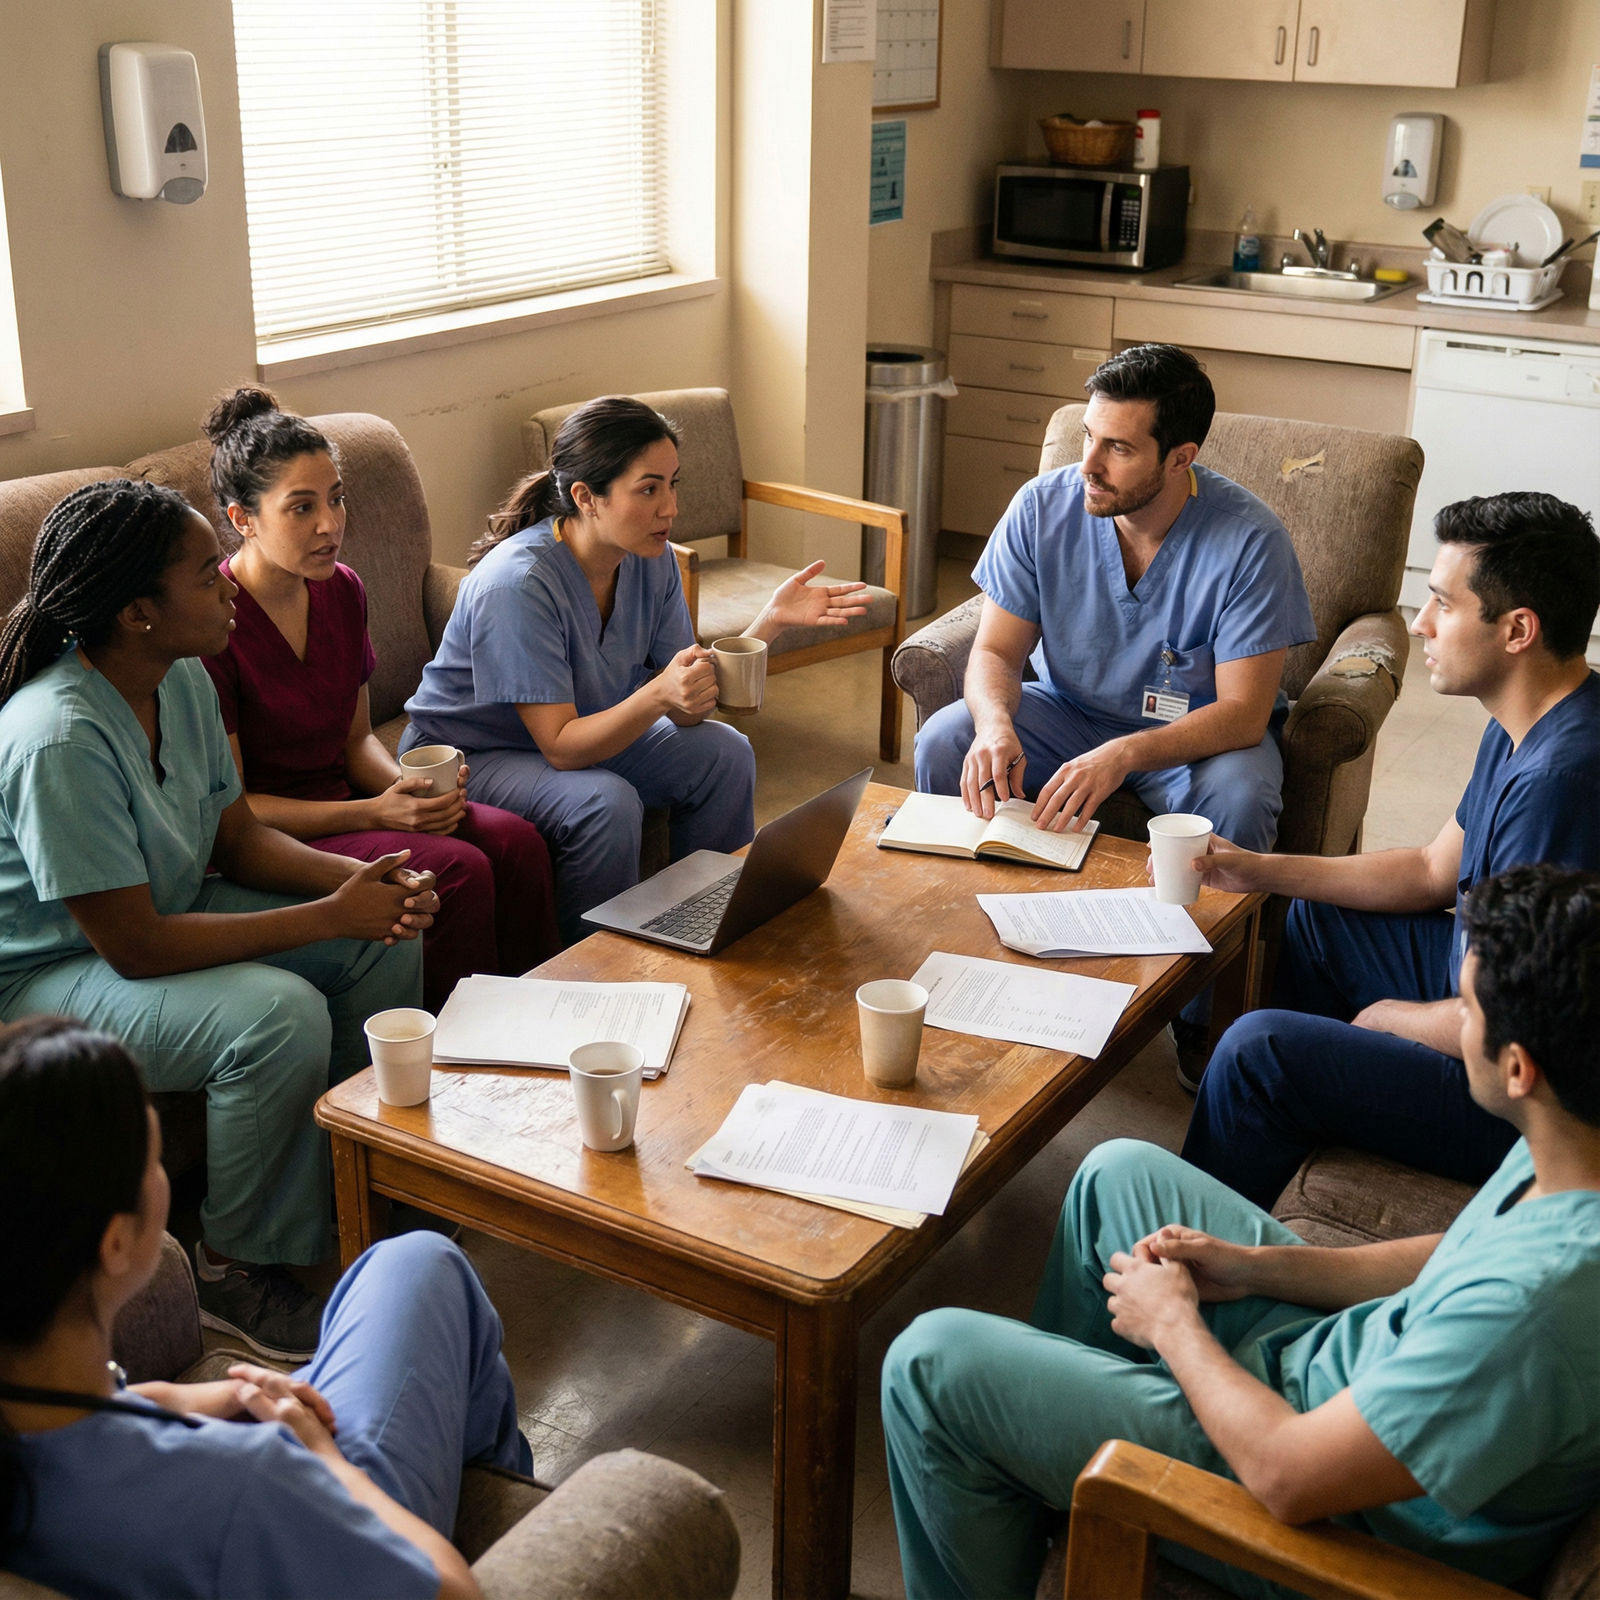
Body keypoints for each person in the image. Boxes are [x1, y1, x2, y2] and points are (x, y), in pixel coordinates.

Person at [881, 862, 1600, 1600]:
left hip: (1314, 1501)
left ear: (1519, 1070)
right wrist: (1255, 1264)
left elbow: (1289, 1476)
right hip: (1333, 1373)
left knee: (929, 1365)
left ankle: (1069, 1465)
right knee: (1118, 1173)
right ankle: (1043, 1467)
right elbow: (1458, 1255)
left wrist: (1174, 1326)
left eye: (1467, 1010)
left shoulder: (1533, 1312)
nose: (1455, 1022)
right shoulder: (1571, 1144)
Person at [0, 479, 439, 1361]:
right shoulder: (58, 734)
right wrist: (327, 914)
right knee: (276, 1014)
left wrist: (363, 885)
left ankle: (359, 1182)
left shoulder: (182, 678)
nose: (229, 586)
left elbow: (236, 838)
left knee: (382, 942)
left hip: (161, 911)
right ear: (138, 613)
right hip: (50, 972)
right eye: (208, 576)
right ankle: (234, 1267)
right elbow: (135, 944)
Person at [0, 1016, 530, 1599]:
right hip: (319, 1536)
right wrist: (328, 1463)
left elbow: (84, 1431)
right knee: (425, 1265)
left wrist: (182, 1399)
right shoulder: (241, 1484)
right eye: (153, 1162)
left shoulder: (32, 1418)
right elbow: (454, 1593)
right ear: (116, 1243)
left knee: (408, 1269)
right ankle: (520, 1539)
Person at [1182, 492, 1600, 1207]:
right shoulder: (1525, 719)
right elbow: (1433, 869)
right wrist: (1260, 870)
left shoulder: (1561, 785)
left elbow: (1511, 1027)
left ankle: (1192, 1245)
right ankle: (1287, 1128)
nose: (1420, 623)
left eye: (1444, 603)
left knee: (1259, 1051)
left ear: (1518, 630)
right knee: (1317, 920)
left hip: (1523, 1096)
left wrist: (1384, 1019)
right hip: (1474, 982)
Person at [912, 344, 1315, 1050]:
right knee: (948, 740)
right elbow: (996, 652)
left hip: (1200, 739)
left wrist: (1123, 754)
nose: (1089, 465)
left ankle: (1199, 1022)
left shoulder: (1251, 542)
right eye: (1088, 438)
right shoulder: (1043, 508)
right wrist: (996, 723)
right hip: (1068, 711)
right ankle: (961, 955)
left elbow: (1243, 713)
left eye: (1118, 449)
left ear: (1180, 458)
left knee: (1242, 802)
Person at [403, 395, 870, 942]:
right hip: (473, 757)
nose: (670, 507)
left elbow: (688, 705)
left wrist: (769, 622)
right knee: (605, 802)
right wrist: (659, 695)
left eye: (673, 484)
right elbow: (562, 747)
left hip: (586, 729)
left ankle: (709, 925)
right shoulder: (519, 584)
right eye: (649, 489)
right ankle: (594, 968)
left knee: (724, 754)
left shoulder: (653, 560)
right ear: (586, 498)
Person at [199, 387, 560, 1011]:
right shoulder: (215, 629)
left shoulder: (343, 589)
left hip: (350, 802)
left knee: (517, 843)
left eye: (336, 498)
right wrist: (375, 814)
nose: (330, 524)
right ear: (242, 519)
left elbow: (356, 740)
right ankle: (456, 1045)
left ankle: (547, 1014)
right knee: (458, 871)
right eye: (302, 507)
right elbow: (241, 810)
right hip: (277, 839)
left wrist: (410, 791)